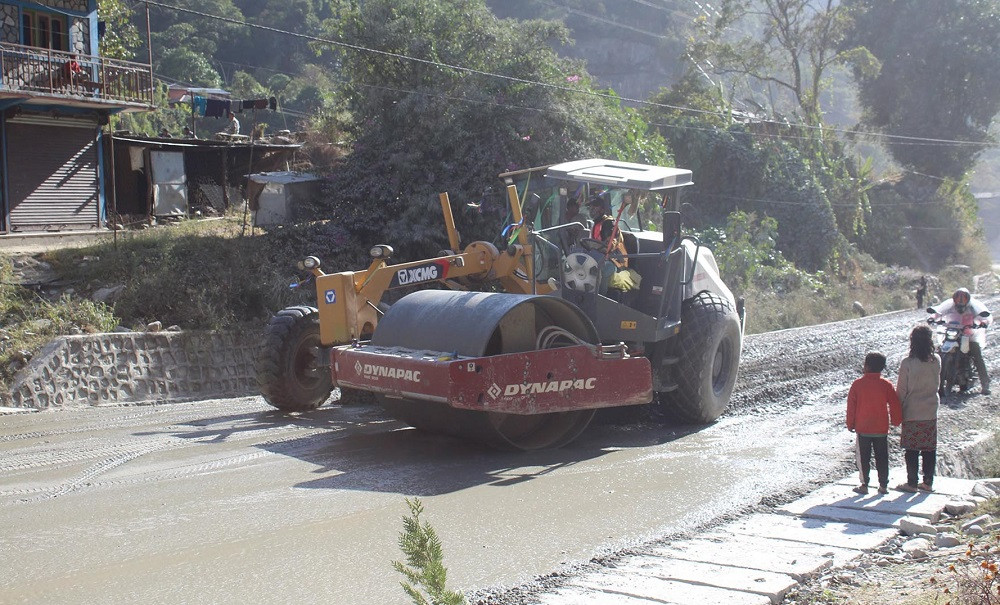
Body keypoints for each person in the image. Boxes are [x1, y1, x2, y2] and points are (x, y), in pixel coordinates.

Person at [846, 351, 902, 495]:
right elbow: (895, 404)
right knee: (882, 457)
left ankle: (864, 485)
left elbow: (851, 406)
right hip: (881, 429)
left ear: (866, 366)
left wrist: (850, 424)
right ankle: (883, 485)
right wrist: (896, 421)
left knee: (863, 457)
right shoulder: (886, 385)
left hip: (863, 428)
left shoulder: (857, 385)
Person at [895, 325, 941, 493]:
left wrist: (896, 409)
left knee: (912, 449)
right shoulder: (936, 360)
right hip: (930, 410)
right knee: (929, 448)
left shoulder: (907, 363)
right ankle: (928, 482)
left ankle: (912, 483)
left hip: (912, 411)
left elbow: (901, 391)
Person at [929, 287, 991, 395]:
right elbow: (939, 312)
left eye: (963, 300)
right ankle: (936, 383)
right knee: (939, 352)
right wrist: (932, 318)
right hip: (952, 333)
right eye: (958, 300)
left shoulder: (973, 307)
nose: (960, 303)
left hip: (969, 336)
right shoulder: (949, 306)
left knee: (977, 354)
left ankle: (985, 384)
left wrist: (983, 322)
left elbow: (984, 316)